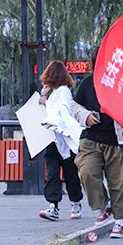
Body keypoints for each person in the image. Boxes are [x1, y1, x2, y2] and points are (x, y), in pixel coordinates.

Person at [71, 49, 123, 239]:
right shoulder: (88, 83)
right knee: (86, 171)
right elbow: (74, 106)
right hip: (91, 139)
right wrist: (86, 116)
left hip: (118, 140)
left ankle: (119, 223)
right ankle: (103, 206)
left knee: (119, 181)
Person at [38, 60, 84, 221]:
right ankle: (53, 205)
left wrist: (46, 101)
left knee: (70, 173)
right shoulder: (52, 92)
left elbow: (62, 111)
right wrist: (44, 96)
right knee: (53, 173)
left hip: (64, 138)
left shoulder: (63, 91)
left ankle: (75, 202)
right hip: (53, 138)